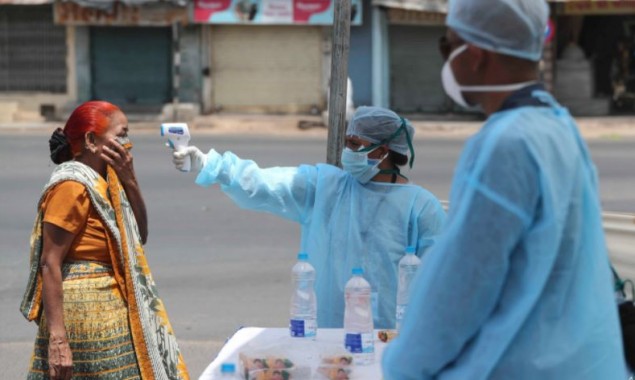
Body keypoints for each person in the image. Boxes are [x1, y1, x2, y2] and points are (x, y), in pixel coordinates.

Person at [382, 0, 626, 379]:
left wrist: (401, 367)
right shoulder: (558, 125)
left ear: (475, 56)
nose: (446, 62)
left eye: (448, 47)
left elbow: (458, 288)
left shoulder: (507, 143)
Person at [172, 106, 446, 329]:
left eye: (354, 144)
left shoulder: (421, 208)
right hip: (325, 335)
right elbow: (266, 183)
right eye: (346, 143)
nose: (347, 152)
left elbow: (441, 283)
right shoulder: (326, 186)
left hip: (391, 341)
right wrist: (210, 164)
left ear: (382, 151)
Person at [20, 101, 189, 379]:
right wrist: (58, 339)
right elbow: (50, 262)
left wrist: (130, 179)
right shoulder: (71, 186)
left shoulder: (109, 181)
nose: (127, 143)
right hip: (84, 311)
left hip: (111, 304)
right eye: (121, 134)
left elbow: (139, 235)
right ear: (91, 140)